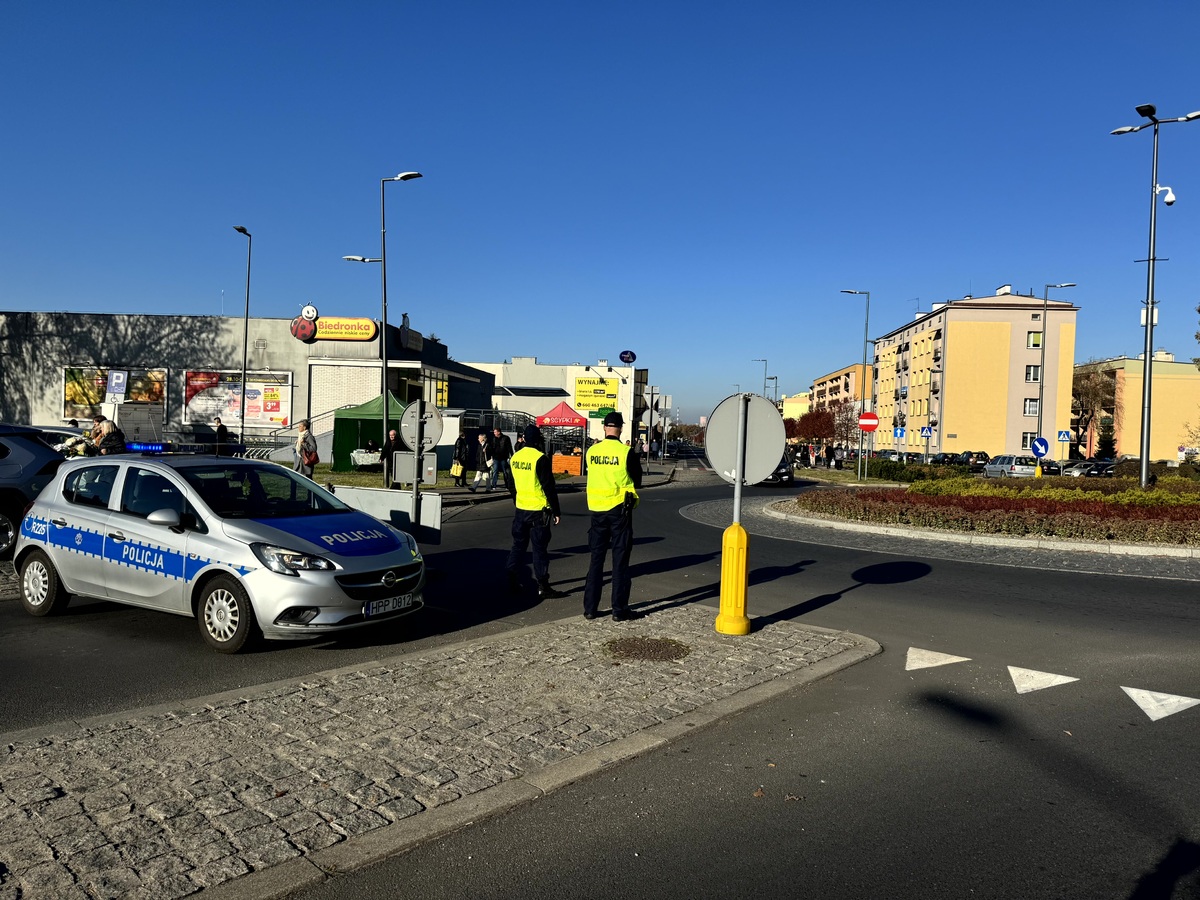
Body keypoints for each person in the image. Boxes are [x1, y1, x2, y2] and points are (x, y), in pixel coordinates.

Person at [583, 411, 643, 621]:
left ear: (604, 427)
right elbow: (637, 481)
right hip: (619, 512)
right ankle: (619, 610)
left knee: (596, 561)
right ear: (620, 428)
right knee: (620, 561)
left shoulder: (591, 451)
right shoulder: (626, 452)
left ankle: (590, 609)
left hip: (597, 511)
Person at [505, 424, 567, 600]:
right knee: (539, 549)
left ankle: (511, 576)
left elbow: (510, 484)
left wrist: (517, 500)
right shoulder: (541, 458)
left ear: (524, 439)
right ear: (538, 439)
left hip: (521, 508)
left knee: (518, 545)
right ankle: (543, 585)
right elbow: (548, 487)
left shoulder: (516, 457)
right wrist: (556, 511)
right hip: (538, 511)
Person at [490, 426, 513, 492]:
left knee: (505, 472)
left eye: (495, 432)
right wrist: (491, 455)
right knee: (495, 471)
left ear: (499, 432)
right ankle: (493, 485)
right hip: (496, 457)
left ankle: (507, 485)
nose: (494, 433)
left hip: (503, 457)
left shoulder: (506, 438)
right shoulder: (494, 439)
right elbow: (492, 447)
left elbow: (509, 447)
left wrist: (511, 455)